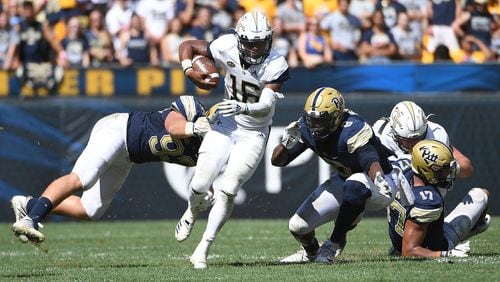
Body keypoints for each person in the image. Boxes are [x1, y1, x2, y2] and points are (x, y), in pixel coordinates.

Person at [11, 96, 212, 244]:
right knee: (82, 179)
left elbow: (201, 181)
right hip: (118, 131)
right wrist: (195, 127)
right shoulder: (192, 107)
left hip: (128, 156)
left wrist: (205, 196)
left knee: (90, 211)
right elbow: (173, 127)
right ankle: (31, 220)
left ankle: (29, 205)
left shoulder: (211, 151)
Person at [175, 11, 289, 269]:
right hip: (226, 124)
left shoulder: (276, 64)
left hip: (254, 131)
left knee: (227, 189)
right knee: (200, 184)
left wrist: (242, 108)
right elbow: (187, 46)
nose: (256, 48)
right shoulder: (225, 45)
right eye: (251, 42)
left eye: (261, 42)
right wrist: (188, 70)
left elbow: (265, 104)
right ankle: (192, 211)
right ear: (239, 40)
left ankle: (202, 249)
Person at [273, 87, 397, 264]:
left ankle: (334, 243)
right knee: (297, 226)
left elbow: (369, 160)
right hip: (345, 180)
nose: (315, 126)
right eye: (312, 120)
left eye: (321, 121)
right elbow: (278, 162)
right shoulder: (306, 127)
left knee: (355, 184)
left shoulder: (353, 128)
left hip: (380, 183)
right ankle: (311, 252)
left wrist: (378, 177)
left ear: (336, 117)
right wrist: (285, 144)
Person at [387, 139, 490, 258]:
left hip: (401, 239)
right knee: (481, 194)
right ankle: (471, 229)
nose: (447, 174)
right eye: (443, 170)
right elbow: (409, 252)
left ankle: (403, 243)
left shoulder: (402, 173)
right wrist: (446, 253)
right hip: (428, 246)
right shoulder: (428, 200)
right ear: (427, 170)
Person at [372, 100, 473, 204]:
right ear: (394, 133)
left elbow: (467, 167)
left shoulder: (435, 134)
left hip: (429, 194)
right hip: (394, 192)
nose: (414, 145)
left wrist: (448, 168)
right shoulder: (382, 136)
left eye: (418, 139)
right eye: (408, 141)